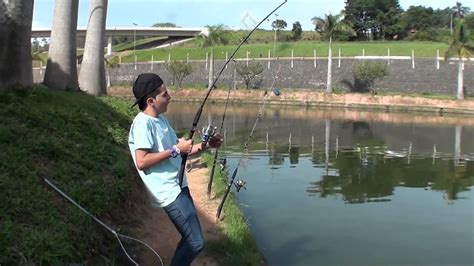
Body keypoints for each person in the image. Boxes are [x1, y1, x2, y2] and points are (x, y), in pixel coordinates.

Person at [128, 73, 223, 266]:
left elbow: (182, 150)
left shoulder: (161, 121)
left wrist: (206, 145)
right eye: (165, 94)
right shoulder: (142, 124)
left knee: (191, 239)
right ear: (151, 100)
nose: (169, 97)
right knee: (196, 242)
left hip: (179, 186)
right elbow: (142, 161)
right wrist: (175, 150)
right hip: (168, 192)